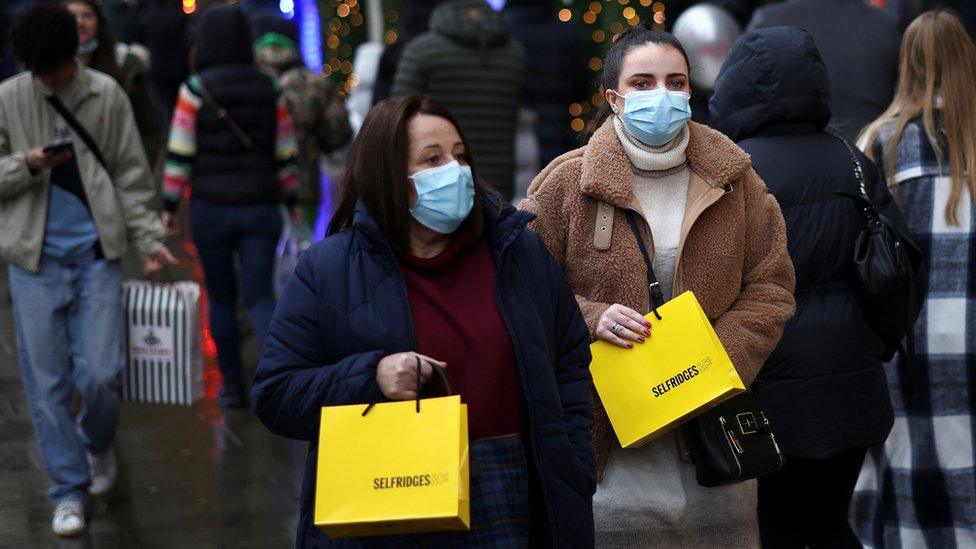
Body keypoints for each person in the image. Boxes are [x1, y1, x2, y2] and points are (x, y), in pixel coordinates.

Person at [252, 95, 596, 548]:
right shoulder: (328, 269)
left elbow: (569, 359)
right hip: (390, 494)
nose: (454, 171)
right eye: (432, 159)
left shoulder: (516, 253)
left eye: (459, 156)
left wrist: (572, 464)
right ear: (388, 175)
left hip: (511, 492)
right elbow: (276, 394)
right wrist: (369, 376)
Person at [520, 26, 796, 546]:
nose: (661, 95)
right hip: (610, 457)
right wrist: (590, 317)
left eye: (675, 81)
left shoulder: (736, 179)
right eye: (642, 83)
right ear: (614, 98)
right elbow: (521, 288)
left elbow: (772, 284)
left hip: (715, 448)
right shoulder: (565, 184)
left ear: (691, 91)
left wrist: (714, 359)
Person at [709, 27, 913, 548]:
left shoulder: (734, 170)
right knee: (830, 524)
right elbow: (898, 270)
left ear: (735, 84)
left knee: (774, 526)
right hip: (853, 387)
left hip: (770, 391)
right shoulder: (851, 159)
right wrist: (874, 348)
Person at [0, 4, 175, 537]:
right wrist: (26, 164)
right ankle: (67, 488)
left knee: (100, 374)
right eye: (42, 73)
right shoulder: (10, 97)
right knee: (46, 383)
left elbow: (130, 172)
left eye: (57, 69)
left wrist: (149, 239)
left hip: (97, 254)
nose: (52, 79)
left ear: (71, 55)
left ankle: (97, 444)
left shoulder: (105, 93)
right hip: (34, 260)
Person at [852, 11, 976, 548]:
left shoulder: (880, 141)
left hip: (910, 337)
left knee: (910, 465)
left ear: (905, 64)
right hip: (970, 331)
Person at [161, 4, 300, 408]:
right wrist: (291, 200)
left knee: (221, 297)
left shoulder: (194, 88)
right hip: (260, 205)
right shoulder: (270, 86)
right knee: (260, 296)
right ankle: (281, 381)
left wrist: (168, 207)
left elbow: (179, 155)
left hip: (210, 209)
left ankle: (232, 387)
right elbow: (286, 152)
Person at [391, 0, 526, 201]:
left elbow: (395, 121)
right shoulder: (515, 53)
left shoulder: (421, 51)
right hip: (498, 181)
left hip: (438, 182)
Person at [748, 0, 901, 142]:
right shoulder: (887, 24)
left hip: (787, 155)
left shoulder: (768, 20)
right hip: (869, 154)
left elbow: (744, 98)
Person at [253, 14, 352, 225]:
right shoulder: (315, 84)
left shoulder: (244, 82)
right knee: (302, 248)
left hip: (253, 189)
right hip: (303, 187)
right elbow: (338, 133)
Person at [66, 0, 164, 169]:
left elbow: (149, 129)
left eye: (87, 16)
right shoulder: (51, 70)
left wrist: (139, 171)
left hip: (115, 170)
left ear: (99, 21)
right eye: (72, 16)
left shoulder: (124, 66)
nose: (79, 22)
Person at [502, 0, 589, 168]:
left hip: (513, 127)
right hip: (558, 127)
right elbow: (581, 84)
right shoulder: (566, 33)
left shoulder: (503, 32)